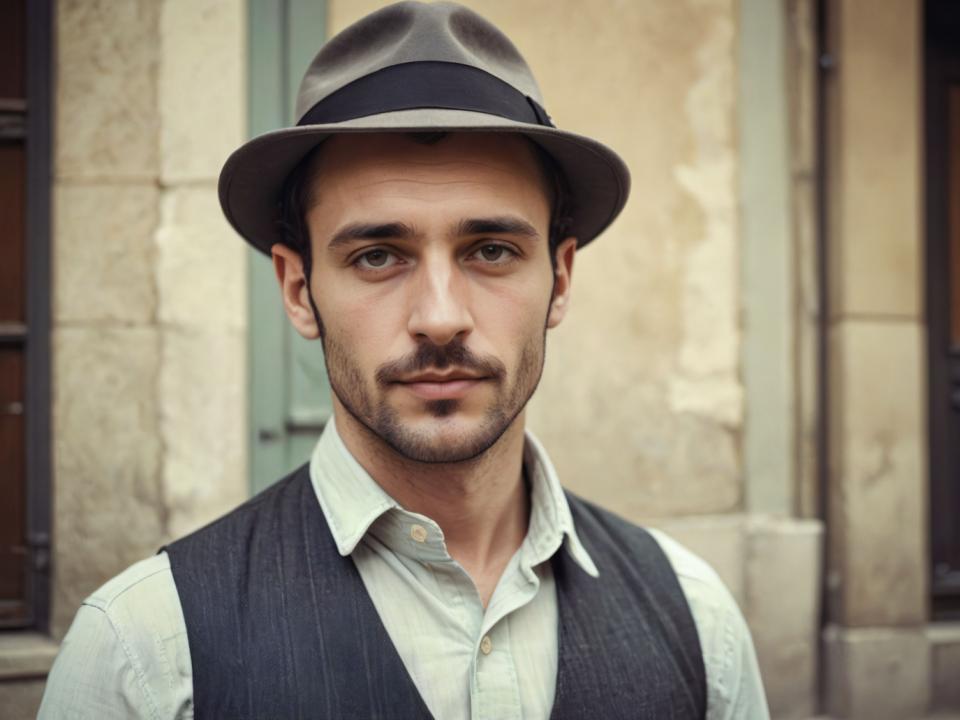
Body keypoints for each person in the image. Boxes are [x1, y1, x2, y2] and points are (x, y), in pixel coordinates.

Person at [40, 2, 769, 718]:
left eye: (491, 250)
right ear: (299, 290)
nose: (441, 317)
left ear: (562, 279)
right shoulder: (142, 653)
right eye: (379, 255)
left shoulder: (698, 620)